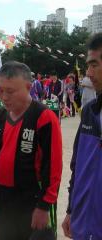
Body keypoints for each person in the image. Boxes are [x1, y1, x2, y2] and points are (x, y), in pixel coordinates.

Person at [0, 61, 62, 240]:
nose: (3, 96)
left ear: (28, 87)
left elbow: (53, 165)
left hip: (34, 199)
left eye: (10, 91)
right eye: (0, 90)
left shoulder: (44, 118)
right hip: (4, 198)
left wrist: (44, 206)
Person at [62, 33, 102, 240]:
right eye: (88, 65)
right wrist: (70, 210)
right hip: (84, 225)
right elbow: (77, 167)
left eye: (94, 65)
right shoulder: (89, 112)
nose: (88, 72)